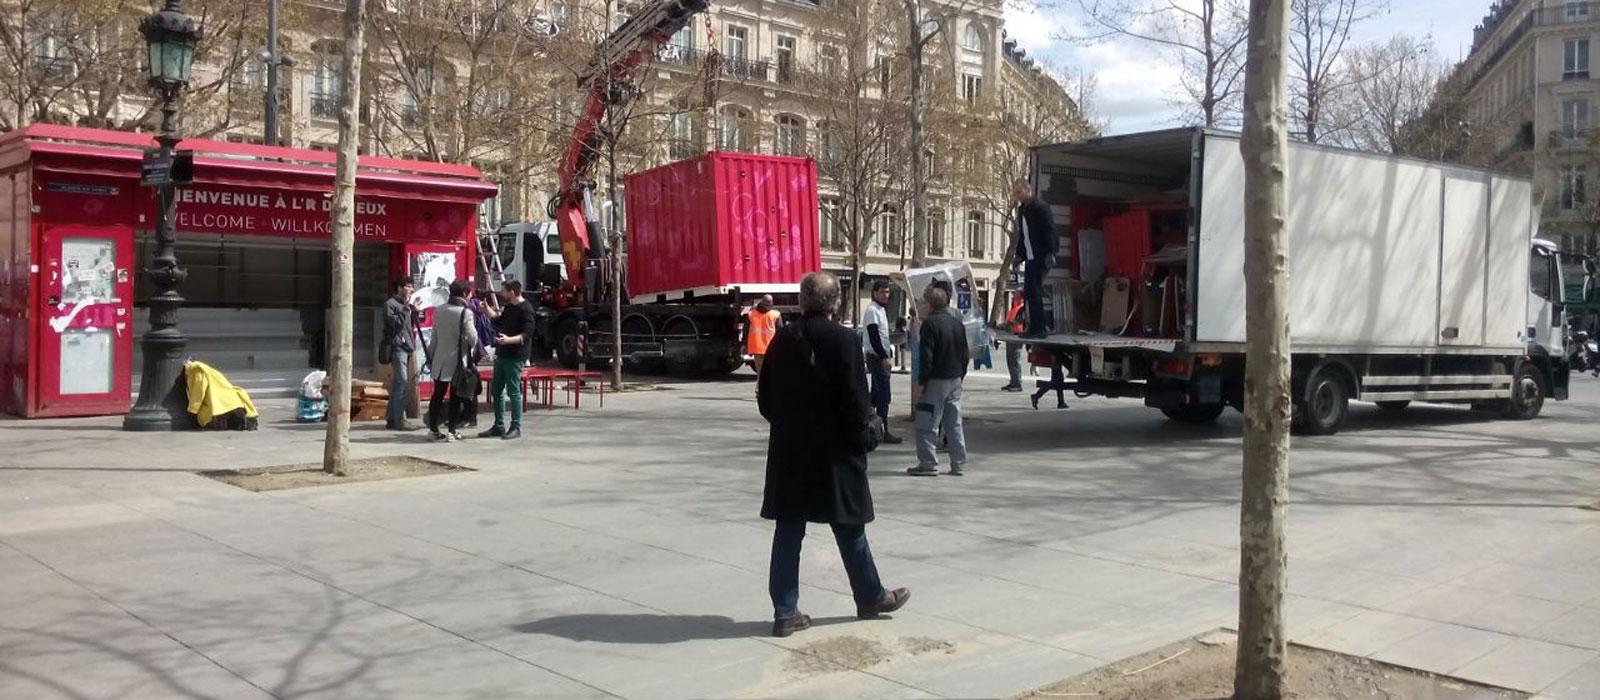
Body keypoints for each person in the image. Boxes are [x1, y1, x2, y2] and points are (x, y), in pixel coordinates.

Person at [759, 271, 910, 638]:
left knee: (789, 531)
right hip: (835, 452)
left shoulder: (781, 341)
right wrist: (869, 430)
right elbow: (859, 400)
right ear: (835, 303)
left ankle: (785, 611)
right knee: (849, 527)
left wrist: (790, 424)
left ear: (801, 301)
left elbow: (765, 400)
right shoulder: (844, 340)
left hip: (791, 452)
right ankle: (870, 595)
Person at [908, 285, 969, 476]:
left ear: (930, 303)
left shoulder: (930, 324)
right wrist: (961, 374)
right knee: (954, 423)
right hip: (955, 378)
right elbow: (965, 354)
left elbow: (927, 358)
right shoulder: (957, 323)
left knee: (927, 422)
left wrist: (921, 384)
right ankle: (959, 463)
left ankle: (928, 463)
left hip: (936, 380)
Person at [479, 281, 536, 440]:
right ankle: (498, 425)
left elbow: (527, 334)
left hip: (516, 355)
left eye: (503, 291)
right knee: (496, 391)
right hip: (502, 353)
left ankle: (515, 426)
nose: (501, 293)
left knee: (513, 391)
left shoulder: (526, 309)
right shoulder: (510, 307)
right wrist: (487, 310)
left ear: (512, 291)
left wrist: (509, 340)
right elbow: (499, 322)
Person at [426, 280, 478, 441]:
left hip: (439, 361)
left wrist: (430, 356)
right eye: (469, 293)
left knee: (437, 395)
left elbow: (434, 337)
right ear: (463, 293)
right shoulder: (465, 313)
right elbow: (473, 339)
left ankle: (433, 429)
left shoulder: (440, 310)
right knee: (456, 397)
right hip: (457, 362)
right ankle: (452, 430)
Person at [859, 280, 904, 444]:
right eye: (883, 292)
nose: (886, 295)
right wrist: (883, 356)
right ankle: (883, 430)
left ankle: (869, 424)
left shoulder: (881, 310)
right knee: (884, 395)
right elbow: (873, 335)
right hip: (876, 357)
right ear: (875, 292)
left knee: (877, 394)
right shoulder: (872, 311)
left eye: (888, 292)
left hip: (881, 356)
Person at [1013, 178, 1057, 339]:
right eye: (1015, 193)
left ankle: (1039, 328)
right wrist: (1019, 255)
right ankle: (1036, 326)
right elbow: (1023, 235)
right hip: (1031, 256)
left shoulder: (1041, 207)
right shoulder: (1022, 210)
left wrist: (1050, 252)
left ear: (1028, 190)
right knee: (1031, 291)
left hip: (1041, 254)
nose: (1017, 196)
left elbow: (1050, 230)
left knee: (1034, 289)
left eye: (1019, 192)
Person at [381, 278, 420, 431]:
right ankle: (400, 418)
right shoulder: (390, 304)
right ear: (399, 287)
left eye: (411, 287)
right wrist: (406, 309)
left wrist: (414, 310)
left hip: (407, 346)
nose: (410, 289)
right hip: (397, 346)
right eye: (408, 286)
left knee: (399, 382)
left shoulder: (406, 306)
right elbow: (394, 324)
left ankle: (391, 418)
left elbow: (408, 325)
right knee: (402, 381)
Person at [746, 294, 782, 374]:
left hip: (758, 348)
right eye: (767, 305)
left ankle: (760, 386)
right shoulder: (775, 315)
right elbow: (780, 332)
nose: (768, 307)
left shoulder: (752, 314)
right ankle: (765, 386)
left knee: (761, 373)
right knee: (769, 373)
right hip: (769, 348)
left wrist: (745, 345)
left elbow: (746, 331)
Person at [1001, 291, 1026, 392]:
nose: (1012, 296)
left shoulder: (1022, 307)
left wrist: (1011, 324)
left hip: (1016, 335)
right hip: (1011, 335)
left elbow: (1020, 320)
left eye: (1015, 294)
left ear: (1019, 296)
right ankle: (1013, 381)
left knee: (1015, 360)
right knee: (1010, 360)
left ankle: (1017, 383)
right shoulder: (1014, 307)